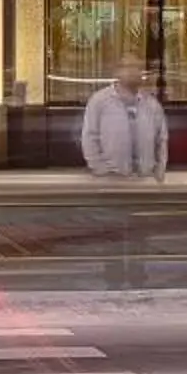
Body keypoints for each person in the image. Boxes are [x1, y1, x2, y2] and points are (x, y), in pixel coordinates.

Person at [79, 58, 169, 287]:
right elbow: (89, 136)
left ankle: (138, 280)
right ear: (116, 71)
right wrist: (99, 169)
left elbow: (162, 138)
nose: (134, 72)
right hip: (112, 180)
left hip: (142, 182)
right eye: (128, 67)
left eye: (138, 68)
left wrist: (159, 170)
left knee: (140, 236)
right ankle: (114, 282)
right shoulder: (100, 101)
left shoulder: (151, 104)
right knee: (112, 235)